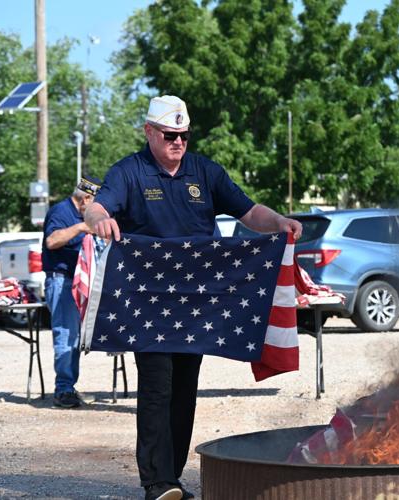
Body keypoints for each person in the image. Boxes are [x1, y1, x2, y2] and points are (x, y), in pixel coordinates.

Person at [84, 95, 302, 500]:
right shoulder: (129, 172)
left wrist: (280, 223)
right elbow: (96, 208)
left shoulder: (205, 171)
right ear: (149, 132)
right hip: (149, 304)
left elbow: (249, 212)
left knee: (185, 390)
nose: (178, 142)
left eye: (183, 135)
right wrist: (100, 220)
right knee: (157, 388)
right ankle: (157, 481)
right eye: (169, 135)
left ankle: (172, 477)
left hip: (198, 304)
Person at [42, 175, 101, 408]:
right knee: (66, 336)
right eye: (95, 203)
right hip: (62, 282)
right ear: (86, 198)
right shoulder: (61, 213)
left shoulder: (79, 214)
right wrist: (80, 228)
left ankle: (68, 386)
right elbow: (52, 241)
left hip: (73, 282)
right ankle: (63, 391)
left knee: (75, 338)